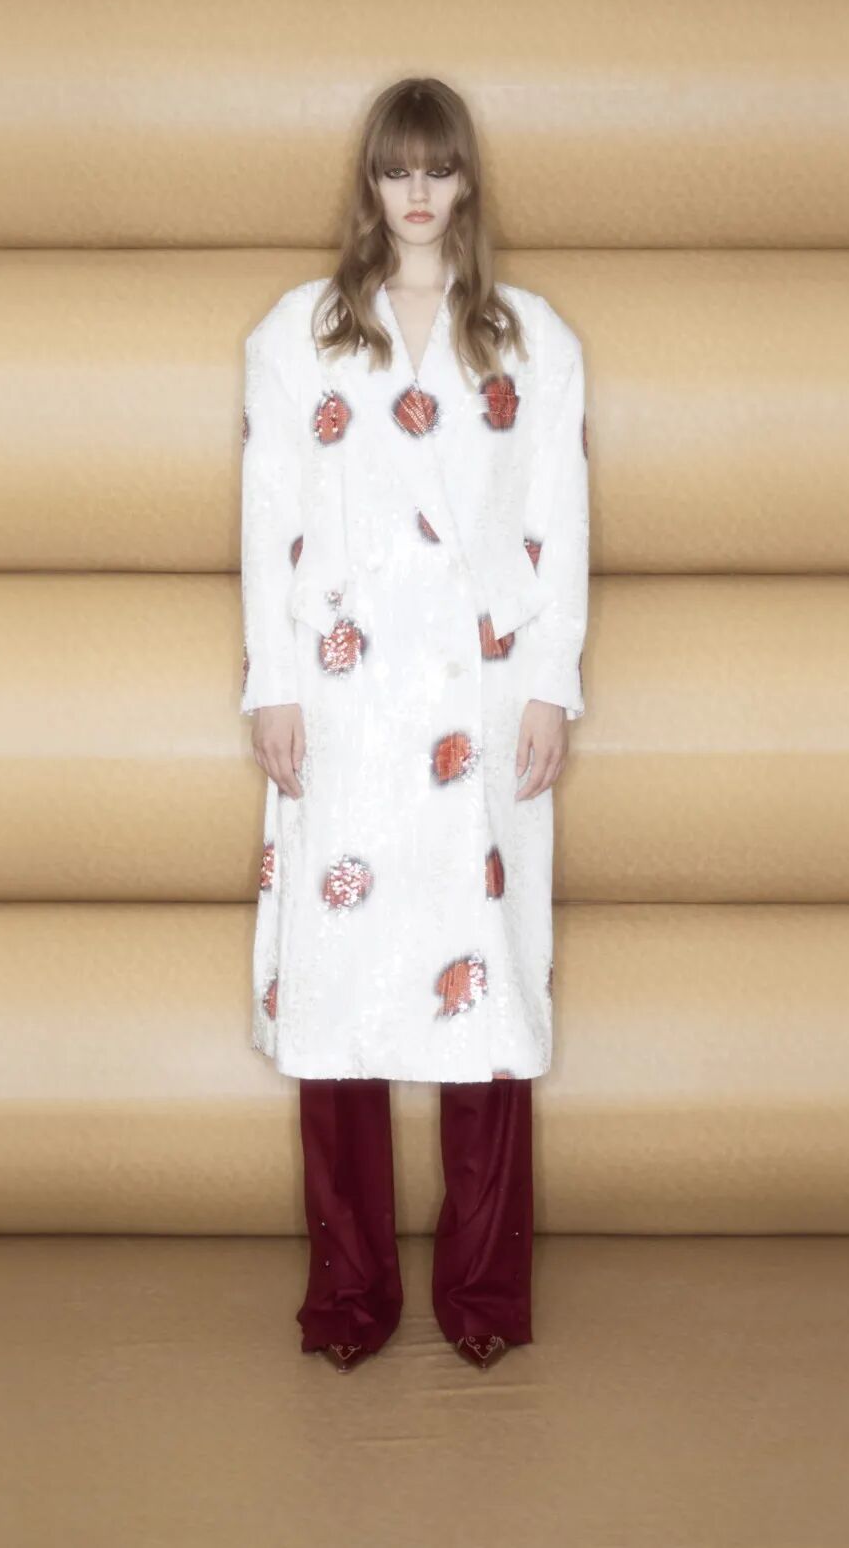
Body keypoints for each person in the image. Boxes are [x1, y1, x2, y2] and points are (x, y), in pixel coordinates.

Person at [238, 77, 589, 1375]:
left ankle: (485, 1292)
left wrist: (550, 683)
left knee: (483, 984)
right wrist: (274, 684)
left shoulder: (534, 340)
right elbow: (268, 516)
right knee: (342, 990)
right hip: (343, 698)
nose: (419, 193)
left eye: (439, 168)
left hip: (477, 698)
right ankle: (351, 1294)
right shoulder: (297, 334)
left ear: (468, 181)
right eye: (398, 170)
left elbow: (560, 522)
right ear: (371, 185)